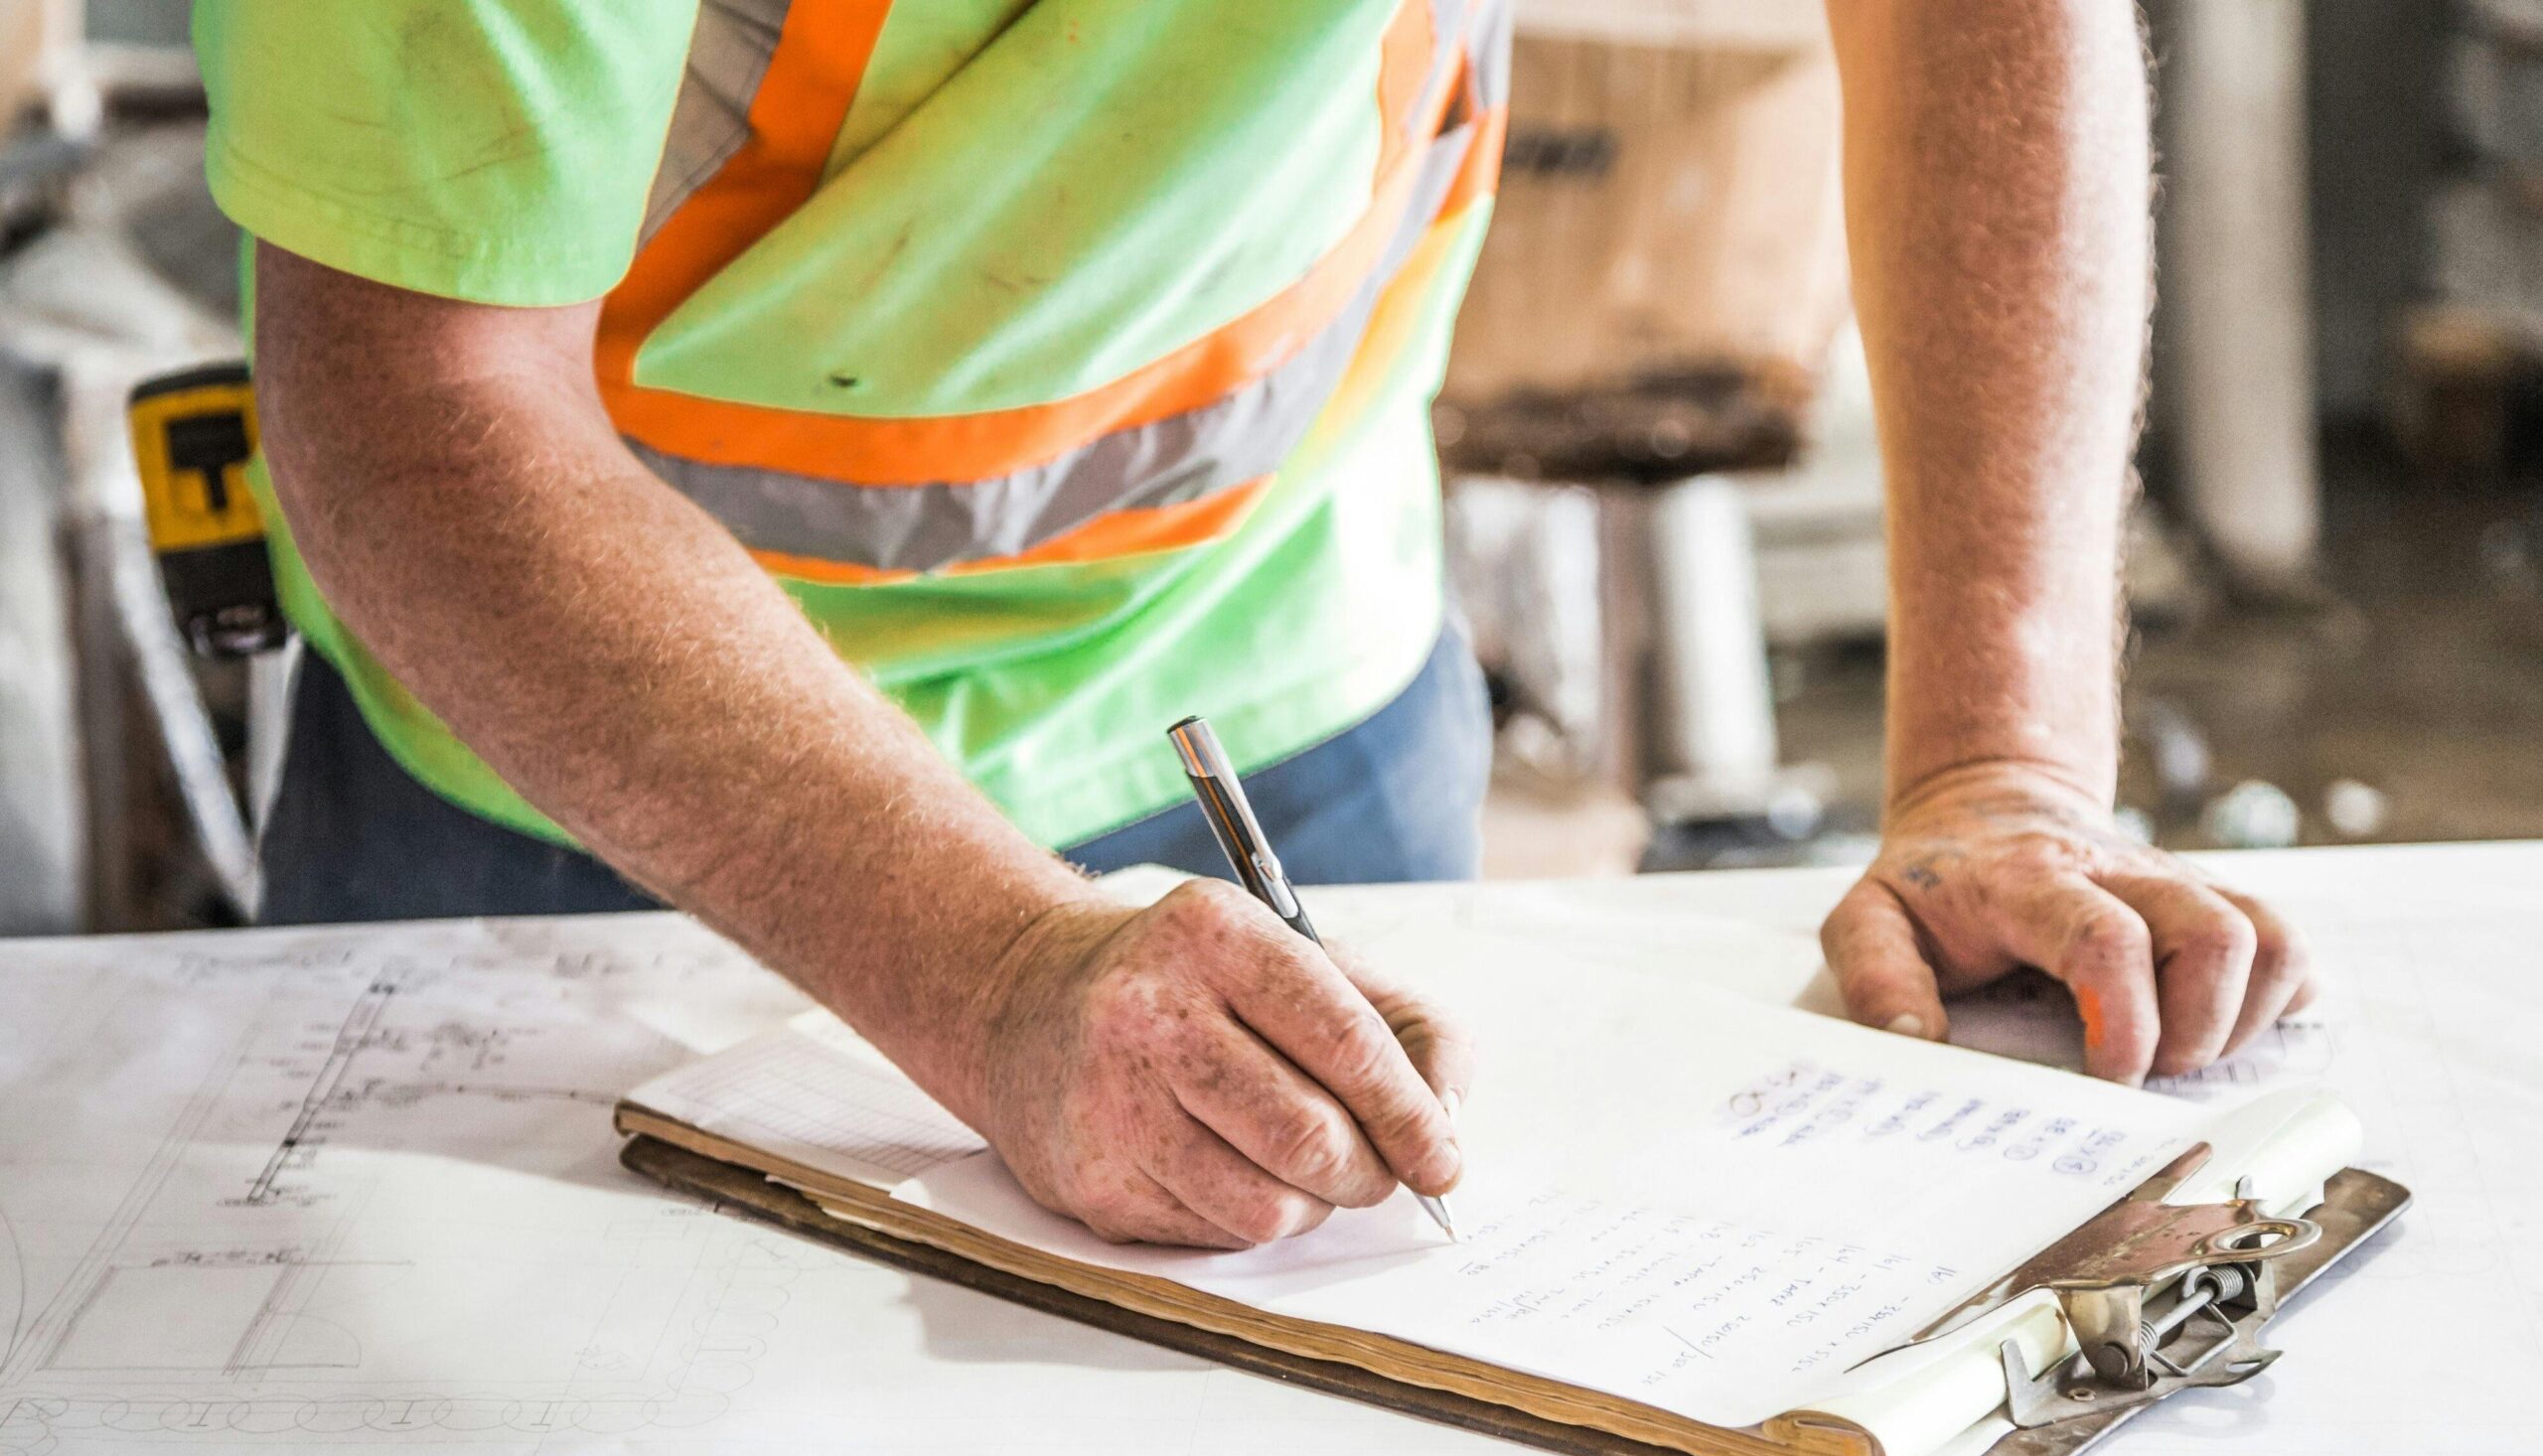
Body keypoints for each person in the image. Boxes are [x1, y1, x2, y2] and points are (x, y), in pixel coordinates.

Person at [197, 1, 2310, 1251]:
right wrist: (991, 966)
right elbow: (415, 405)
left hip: (1288, 676)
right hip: (598, 785)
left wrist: (1998, 766)